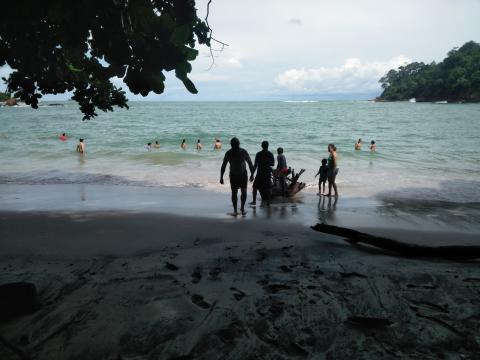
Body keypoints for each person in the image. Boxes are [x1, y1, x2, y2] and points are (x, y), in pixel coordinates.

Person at [220, 137, 254, 216]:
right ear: (231, 145)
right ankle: (235, 209)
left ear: (238, 144)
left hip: (243, 174)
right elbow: (224, 165)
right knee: (234, 193)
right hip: (233, 174)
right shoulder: (228, 153)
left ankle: (242, 207)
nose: (235, 146)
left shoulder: (243, 152)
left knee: (244, 192)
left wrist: (252, 174)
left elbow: (250, 163)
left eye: (236, 144)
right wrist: (221, 176)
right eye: (234, 145)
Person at [250, 141, 275, 206]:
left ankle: (254, 201)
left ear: (262, 146)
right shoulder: (270, 154)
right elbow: (272, 164)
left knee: (255, 187)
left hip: (260, 173)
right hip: (267, 173)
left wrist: (252, 174)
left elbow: (255, 165)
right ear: (268, 146)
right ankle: (268, 202)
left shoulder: (258, 154)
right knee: (268, 188)